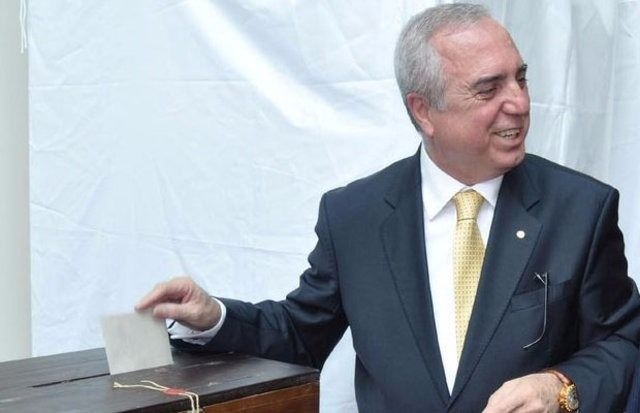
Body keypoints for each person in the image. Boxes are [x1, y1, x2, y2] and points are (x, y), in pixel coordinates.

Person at [137, 3, 640, 412]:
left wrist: (561, 387)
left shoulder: (582, 209)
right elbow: (301, 334)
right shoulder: (354, 217)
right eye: (489, 89)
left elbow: (624, 344)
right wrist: (215, 317)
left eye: (521, 79)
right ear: (424, 111)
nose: (520, 103)